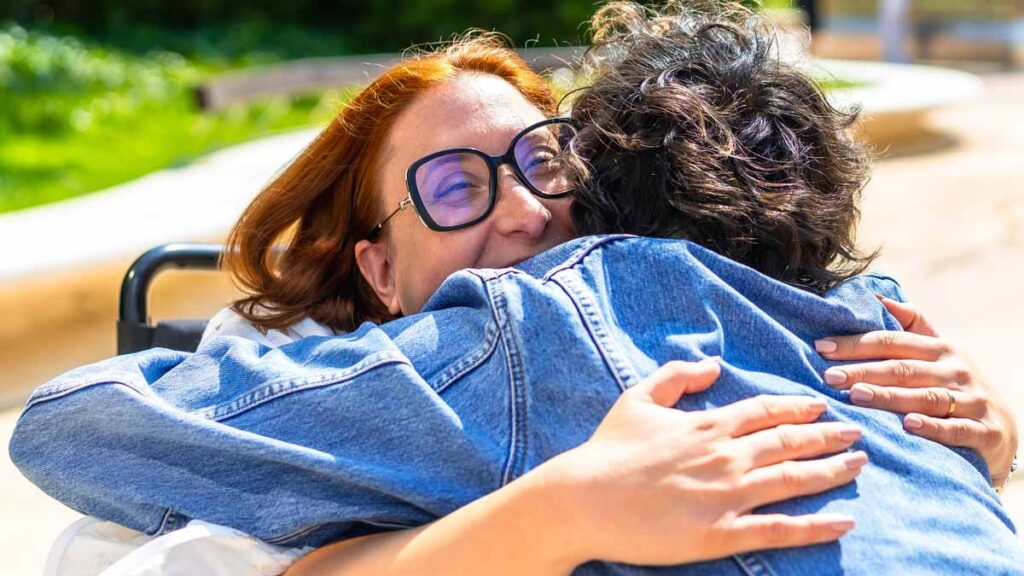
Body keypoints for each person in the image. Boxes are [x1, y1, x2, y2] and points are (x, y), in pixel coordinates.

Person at [11, 2, 1019, 575]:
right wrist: (554, 512)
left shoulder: (657, 306)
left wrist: (983, 430)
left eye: (546, 160)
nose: (523, 213)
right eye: (451, 186)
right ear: (378, 269)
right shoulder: (348, 388)